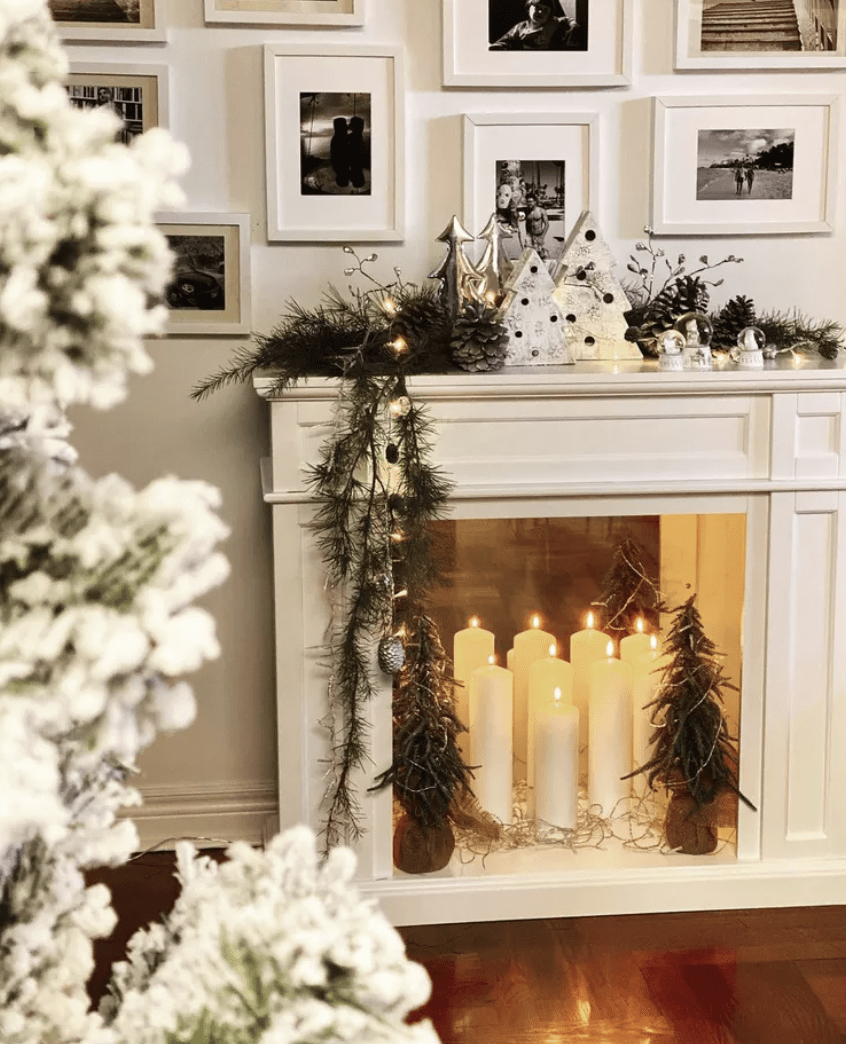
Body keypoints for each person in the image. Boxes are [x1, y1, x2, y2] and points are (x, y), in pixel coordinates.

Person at [490, 0, 579, 51]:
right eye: (537, 8)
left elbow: (567, 19)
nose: (541, 12)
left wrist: (573, 25)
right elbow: (506, 40)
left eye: (545, 10)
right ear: (528, 9)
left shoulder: (553, 22)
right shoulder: (521, 27)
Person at [524, 192, 549, 258]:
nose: (529, 203)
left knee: (538, 256)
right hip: (529, 235)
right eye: (528, 202)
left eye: (531, 201)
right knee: (528, 254)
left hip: (538, 235)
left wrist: (542, 237)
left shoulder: (541, 210)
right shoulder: (526, 211)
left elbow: (547, 224)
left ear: (535, 201)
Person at [329, 117, 350, 189]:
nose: (346, 127)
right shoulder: (341, 138)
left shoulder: (338, 137)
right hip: (342, 166)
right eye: (344, 125)